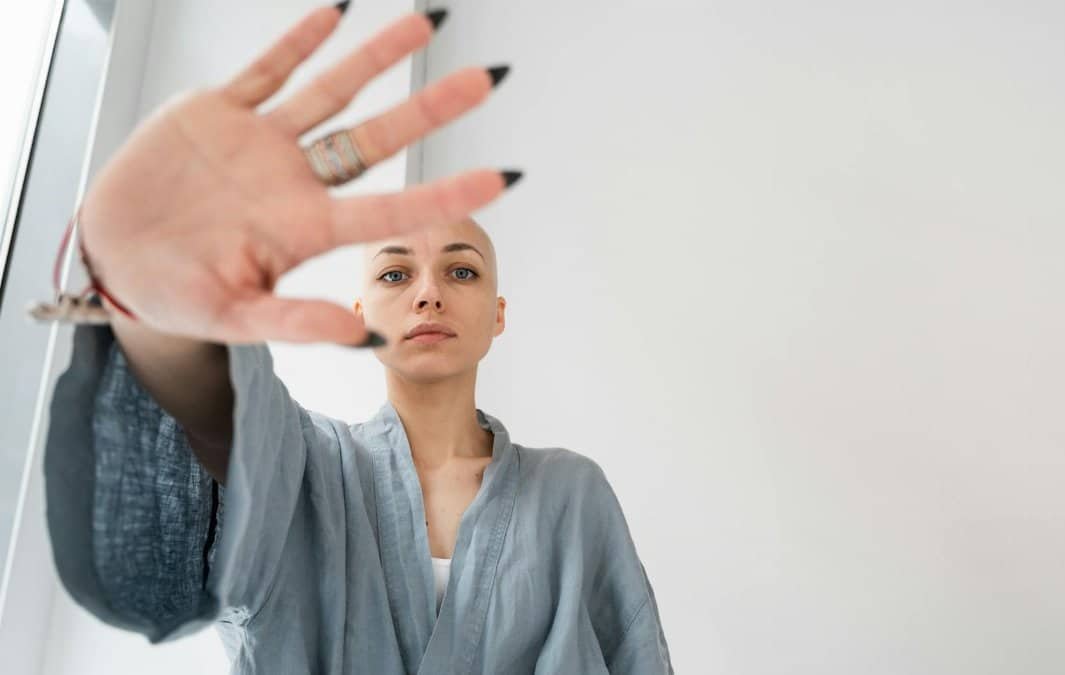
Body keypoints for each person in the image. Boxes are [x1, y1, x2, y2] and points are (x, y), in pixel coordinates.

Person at [39, 4, 672, 673]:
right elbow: (218, 437)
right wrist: (159, 308)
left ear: (498, 313)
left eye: (461, 270)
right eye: (396, 273)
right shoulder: (308, 465)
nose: (428, 291)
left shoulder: (573, 494)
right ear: (362, 310)